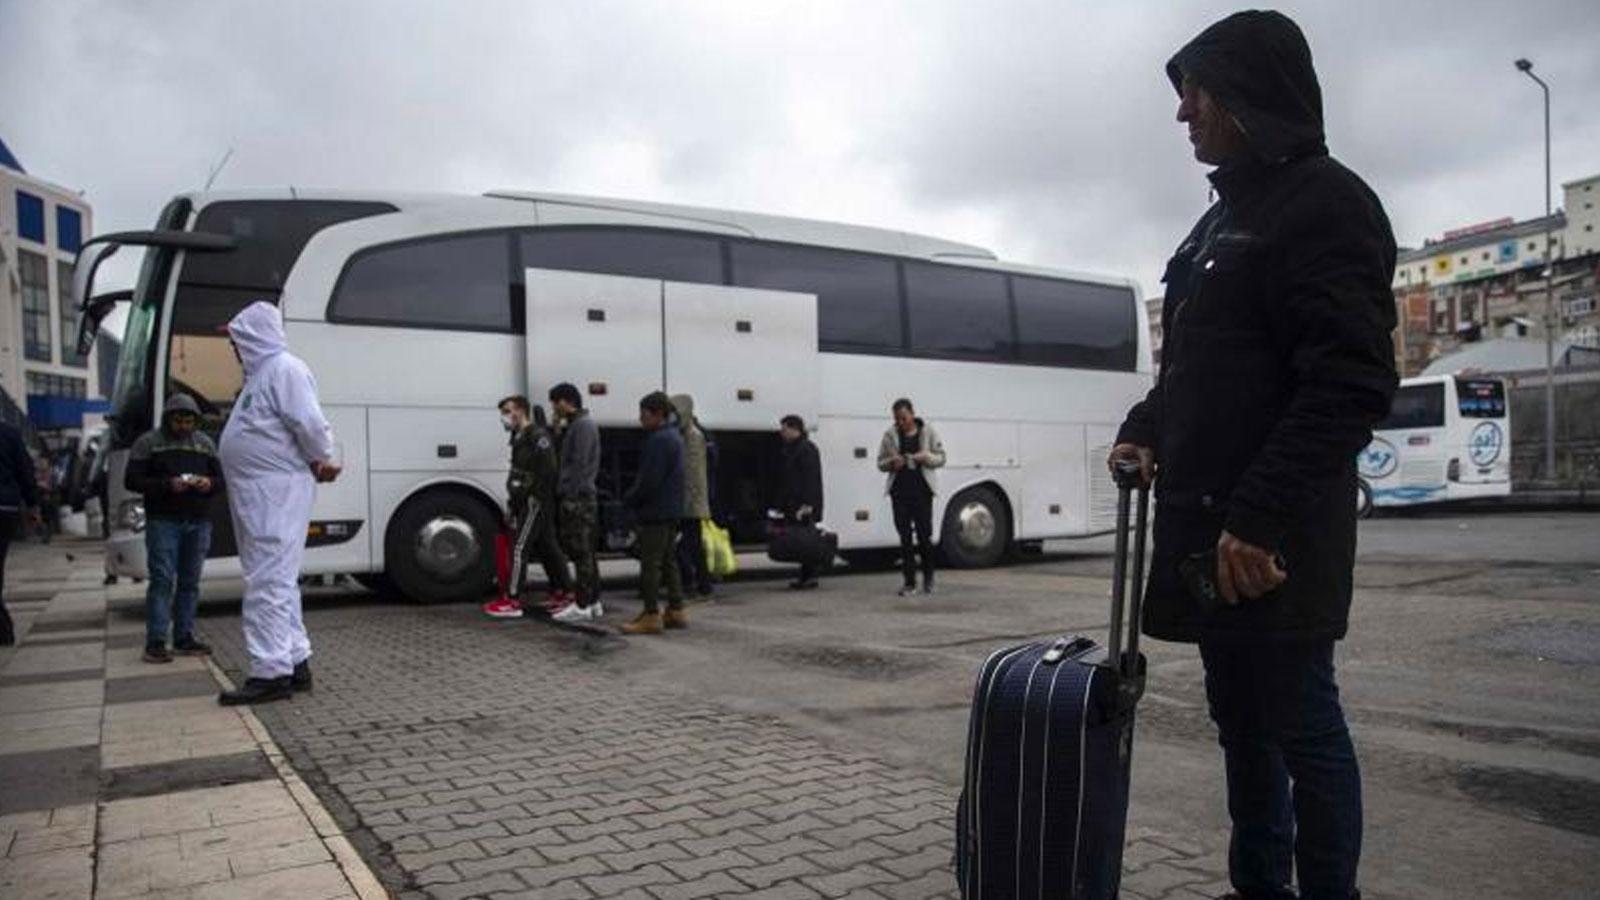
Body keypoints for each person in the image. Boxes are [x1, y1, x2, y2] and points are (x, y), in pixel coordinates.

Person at [1109, 12, 1397, 900]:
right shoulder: (1219, 223)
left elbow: (1349, 382)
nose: (1183, 113)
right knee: (1240, 724)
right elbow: (1202, 368)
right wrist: (1145, 426)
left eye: (1196, 92)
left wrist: (1260, 516)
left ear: (1245, 95)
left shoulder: (1326, 204)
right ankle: (1257, 885)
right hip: (1211, 532)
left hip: (1270, 542)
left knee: (1302, 724)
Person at [217, 301, 342, 705]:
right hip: (262, 492)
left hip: (274, 492)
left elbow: (309, 423)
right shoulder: (264, 376)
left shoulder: (283, 370)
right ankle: (295, 661)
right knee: (277, 580)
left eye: (236, 339)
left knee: (267, 581)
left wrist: (320, 458)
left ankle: (270, 672)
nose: (232, 348)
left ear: (252, 336)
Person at [125, 394, 224, 663]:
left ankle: (184, 637)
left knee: (190, 583)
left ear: (196, 420)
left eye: (188, 420)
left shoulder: (205, 444)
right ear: (168, 419)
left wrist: (208, 484)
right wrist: (167, 485)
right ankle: (156, 641)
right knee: (162, 580)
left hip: (198, 520)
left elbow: (221, 480)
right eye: (178, 420)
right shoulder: (148, 443)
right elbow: (131, 480)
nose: (183, 425)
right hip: (162, 521)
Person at [484, 397, 573, 619]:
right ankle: (564, 590)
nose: (504, 417)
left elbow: (548, 471)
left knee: (519, 547)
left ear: (521, 411)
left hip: (534, 501)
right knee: (548, 546)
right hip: (526, 500)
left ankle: (512, 599)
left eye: (507, 411)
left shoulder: (538, 437)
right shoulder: (519, 437)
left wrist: (533, 496)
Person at [620, 391, 686, 635]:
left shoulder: (658, 440)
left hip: (655, 511)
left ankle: (650, 614)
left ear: (658, 414)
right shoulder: (675, 436)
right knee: (669, 560)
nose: (640, 419)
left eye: (644, 414)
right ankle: (676, 609)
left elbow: (649, 480)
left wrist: (630, 499)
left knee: (650, 563)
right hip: (671, 509)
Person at [876, 398, 945, 596]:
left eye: (904, 418)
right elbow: (880, 463)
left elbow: (941, 457)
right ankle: (909, 582)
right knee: (904, 537)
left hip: (922, 491)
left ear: (912, 414)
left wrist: (926, 458)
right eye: (897, 419)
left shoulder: (928, 431)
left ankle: (929, 579)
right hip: (899, 491)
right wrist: (892, 463)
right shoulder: (889, 435)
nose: (901, 423)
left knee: (924, 536)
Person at [548, 382, 604, 624]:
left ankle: (582, 603)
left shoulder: (581, 427)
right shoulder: (581, 425)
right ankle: (592, 601)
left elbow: (578, 464)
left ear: (564, 401)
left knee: (581, 552)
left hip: (578, 498)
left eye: (555, 402)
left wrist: (568, 494)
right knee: (587, 552)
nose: (554, 408)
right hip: (582, 495)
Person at [0, 421, 41, 646]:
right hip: (5, 509)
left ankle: (3, 628)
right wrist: (33, 504)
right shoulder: (9, 433)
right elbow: (25, 470)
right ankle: (3, 629)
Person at [670, 394, 715, 597]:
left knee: (687, 546)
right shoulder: (692, 433)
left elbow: (691, 474)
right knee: (693, 545)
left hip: (689, 502)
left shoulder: (692, 437)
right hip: (691, 501)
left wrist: (684, 501)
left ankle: (694, 584)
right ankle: (700, 584)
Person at [777, 414, 824, 590]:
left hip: (804, 504)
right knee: (801, 539)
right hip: (795, 502)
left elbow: (810, 479)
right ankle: (806, 575)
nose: (782, 433)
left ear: (793, 429)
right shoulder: (793, 448)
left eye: (784, 429)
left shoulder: (806, 449)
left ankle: (810, 575)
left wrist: (807, 505)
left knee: (806, 539)